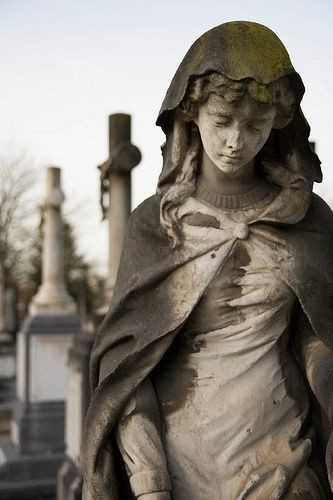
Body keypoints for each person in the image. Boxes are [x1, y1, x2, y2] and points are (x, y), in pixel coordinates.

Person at [81, 22, 333, 500]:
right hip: (183, 469)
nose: (236, 140)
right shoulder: (156, 228)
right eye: (222, 121)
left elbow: (316, 332)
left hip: (286, 462)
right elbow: (130, 369)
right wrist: (150, 482)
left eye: (255, 124)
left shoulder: (307, 219)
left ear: (278, 122)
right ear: (192, 114)